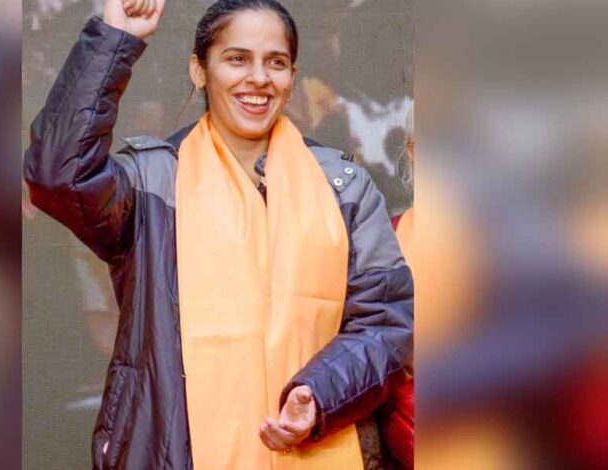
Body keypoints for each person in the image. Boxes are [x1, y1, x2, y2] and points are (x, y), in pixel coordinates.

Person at [24, 0, 413, 468]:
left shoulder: (344, 187)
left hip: (319, 447)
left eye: (276, 62)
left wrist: (319, 394)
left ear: (292, 78)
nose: (259, 78)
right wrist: (114, 40)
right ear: (199, 70)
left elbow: (385, 320)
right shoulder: (152, 183)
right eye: (237, 59)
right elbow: (57, 176)